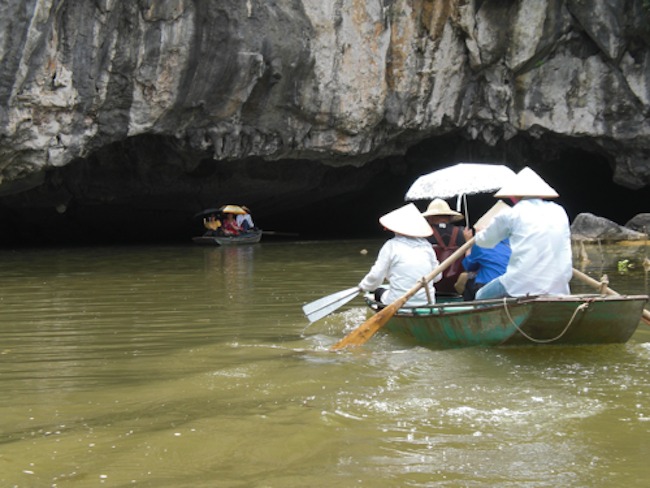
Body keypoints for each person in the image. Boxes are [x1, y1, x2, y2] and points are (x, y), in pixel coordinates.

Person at [473, 167, 572, 300]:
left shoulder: (511, 214)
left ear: (513, 196)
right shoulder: (560, 211)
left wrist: (480, 232)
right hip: (559, 285)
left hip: (521, 283)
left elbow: (484, 241)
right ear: (541, 194)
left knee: (480, 296)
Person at [358, 203, 442, 307]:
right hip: (427, 302)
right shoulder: (427, 246)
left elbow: (376, 275)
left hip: (398, 302)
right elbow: (437, 276)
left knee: (378, 291)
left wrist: (363, 286)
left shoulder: (391, 246)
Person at [421, 198, 466, 295]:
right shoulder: (463, 233)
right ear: (450, 217)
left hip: (433, 287)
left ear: (430, 217)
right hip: (456, 287)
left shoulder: (423, 235)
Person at [459, 224, 511, 301]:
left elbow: (468, 266)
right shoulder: (514, 243)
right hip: (513, 286)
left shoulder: (482, 243)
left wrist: (469, 241)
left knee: (468, 281)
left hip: (489, 285)